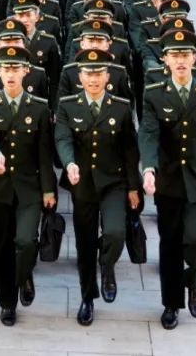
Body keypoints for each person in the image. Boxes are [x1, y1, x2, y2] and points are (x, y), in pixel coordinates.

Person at [140, 29, 196, 330]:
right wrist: (148, 169)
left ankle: (195, 281)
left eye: (185, 55)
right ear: (165, 59)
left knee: (195, 239)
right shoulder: (154, 94)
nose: (180, 61)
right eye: (174, 55)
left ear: (194, 58)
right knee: (170, 245)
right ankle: (171, 304)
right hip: (168, 181)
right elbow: (149, 135)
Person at [54, 48, 140, 326]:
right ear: (79, 76)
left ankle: (107, 264)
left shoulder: (121, 107)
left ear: (107, 76)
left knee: (115, 232)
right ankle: (87, 297)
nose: (93, 79)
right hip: (84, 184)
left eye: (99, 73)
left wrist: (133, 187)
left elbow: (130, 150)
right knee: (85, 242)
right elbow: (63, 139)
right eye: (88, 74)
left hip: (114, 181)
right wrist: (69, 164)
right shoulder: (68, 105)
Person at [0, 46, 56, 327]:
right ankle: (7, 302)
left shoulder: (39, 107)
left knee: (25, 241)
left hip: (30, 186)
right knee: (1, 248)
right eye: (5, 68)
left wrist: (49, 190)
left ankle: (23, 276)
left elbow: (45, 153)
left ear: (25, 71)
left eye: (15, 68)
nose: (10, 73)